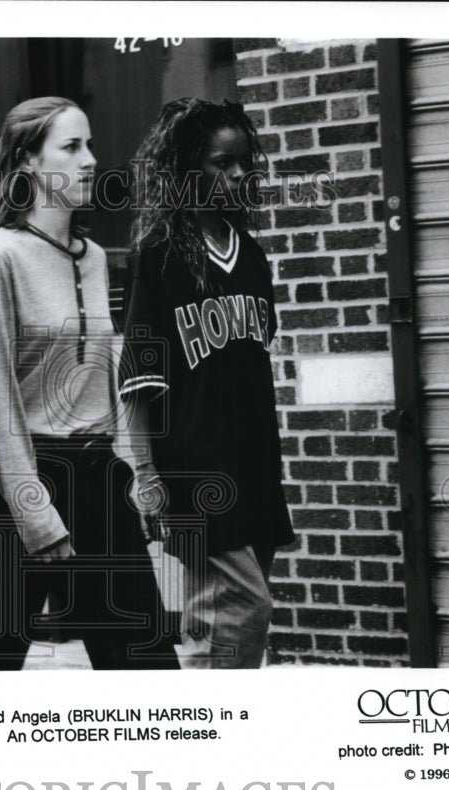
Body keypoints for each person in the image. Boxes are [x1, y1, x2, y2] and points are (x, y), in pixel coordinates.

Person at [0, 96, 179, 670]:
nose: (91, 160)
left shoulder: (95, 258)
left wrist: (132, 471)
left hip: (96, 482)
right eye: (71, 146)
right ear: (28, 161)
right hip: (20, 486)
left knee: (146, 667)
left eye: (90, 145)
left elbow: (105, 375)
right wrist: (34, 511)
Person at [120, 98, 295, 668]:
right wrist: (147, 475)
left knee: (222, 628)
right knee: (241, 610)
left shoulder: (253, 257)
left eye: (245, 161)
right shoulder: (159, 255)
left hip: (255, 466)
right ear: (187, 169)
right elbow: (140, 381)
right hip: (192, 474)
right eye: (223, 162)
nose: (240, 173)